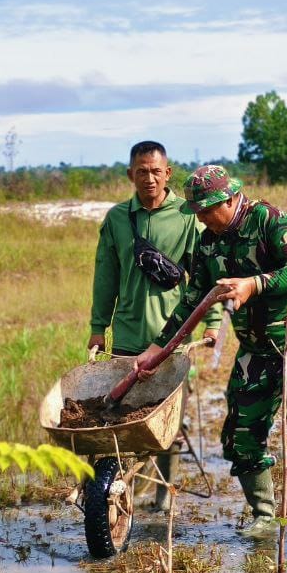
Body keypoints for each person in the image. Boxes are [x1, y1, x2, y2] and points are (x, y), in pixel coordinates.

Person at [134, 165, 287, 551]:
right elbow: (194, 299)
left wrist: (254, 283)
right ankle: (265, 515)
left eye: (209, 210)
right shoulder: (207, 242)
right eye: (197, 212)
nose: (203, 219)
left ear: (231, 199)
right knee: (240, 434)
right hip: (256, 346)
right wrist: (158, 347)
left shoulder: (270, 220)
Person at [87, 141, 220, 511]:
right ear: (130, 174)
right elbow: (105, 277)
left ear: (168, 174)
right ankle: (129, 490)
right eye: (141, 171)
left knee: (169, 424)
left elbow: (207, 276)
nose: (149, 178)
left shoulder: (187, 217)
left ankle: (164, 498)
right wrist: (98, 328)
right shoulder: (116, 219)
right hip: (127, 337)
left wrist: (211, 323)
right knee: (125, 421)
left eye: (155, 171)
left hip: (173, 339)